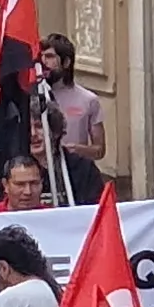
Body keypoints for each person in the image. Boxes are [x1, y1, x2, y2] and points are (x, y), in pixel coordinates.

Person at [36, 38, 106, 193]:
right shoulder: (33, 98)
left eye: (49, 57)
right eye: (40, 56)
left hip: (75, 174)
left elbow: (99, 150)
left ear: (66, 62)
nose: (43, 62)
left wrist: (76, 149)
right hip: (38, 175)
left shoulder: (88, 100)